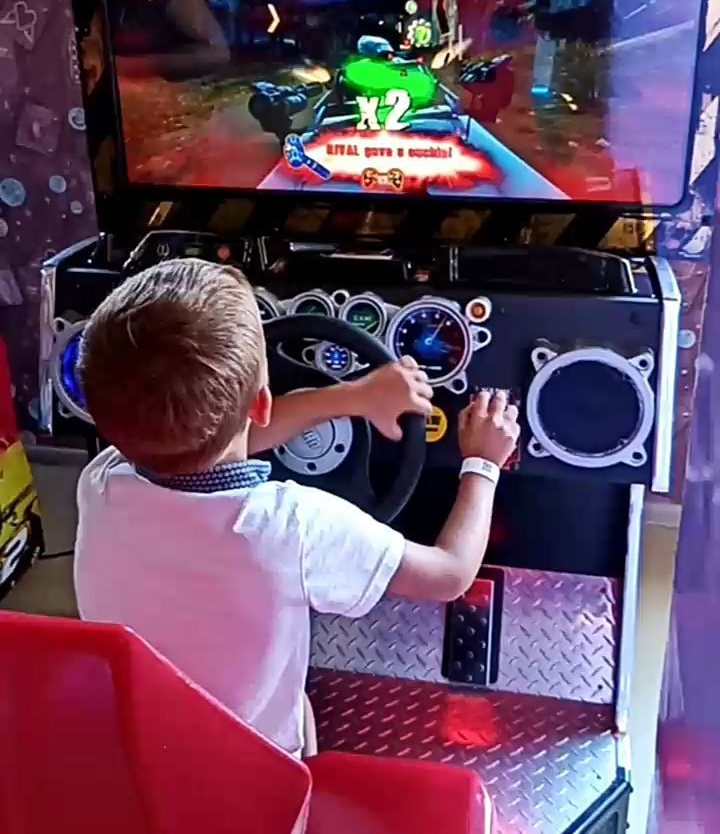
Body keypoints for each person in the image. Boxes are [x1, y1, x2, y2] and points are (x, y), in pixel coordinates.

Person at [74, 259, 520, 758]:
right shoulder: (294, 527)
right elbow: (449, 574)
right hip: (256, 773)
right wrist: (483, 463)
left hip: (139, 743)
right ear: (262, 403)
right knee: (301, 714)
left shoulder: (100, 480)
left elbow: (210, 444)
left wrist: (354, 397)